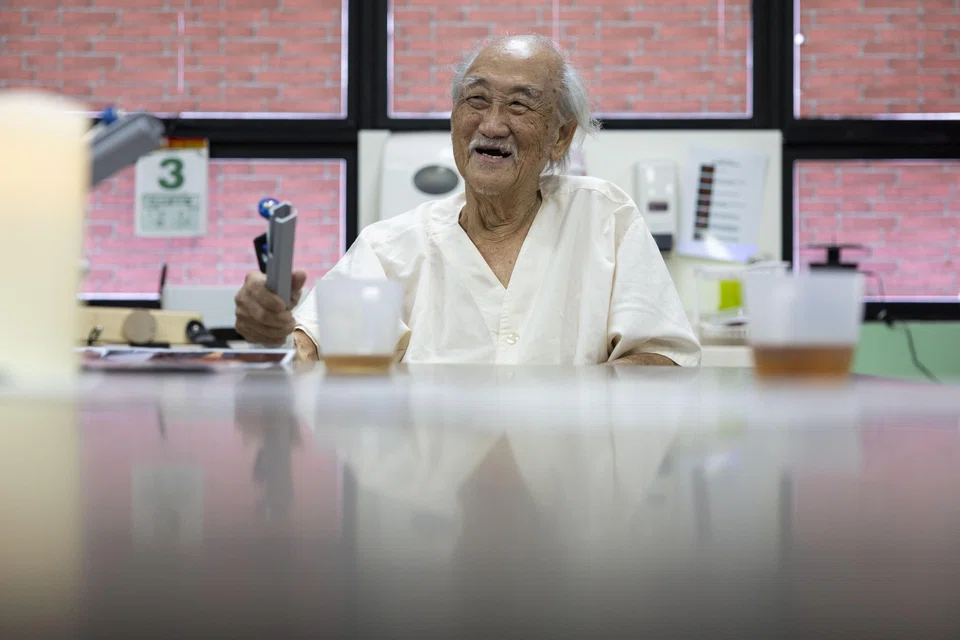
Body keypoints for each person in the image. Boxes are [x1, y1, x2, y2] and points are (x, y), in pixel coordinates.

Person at [235, 35, 701, 366]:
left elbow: (662, 356)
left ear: (560, 136)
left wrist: (559, 421)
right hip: (431, 496)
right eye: (476, 100)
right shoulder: (389, 247)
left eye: (520, 105)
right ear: (455, 117)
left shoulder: (605, 218)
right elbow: (308, 349)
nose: (493, 124)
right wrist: (271, 327)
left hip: (571, 490)